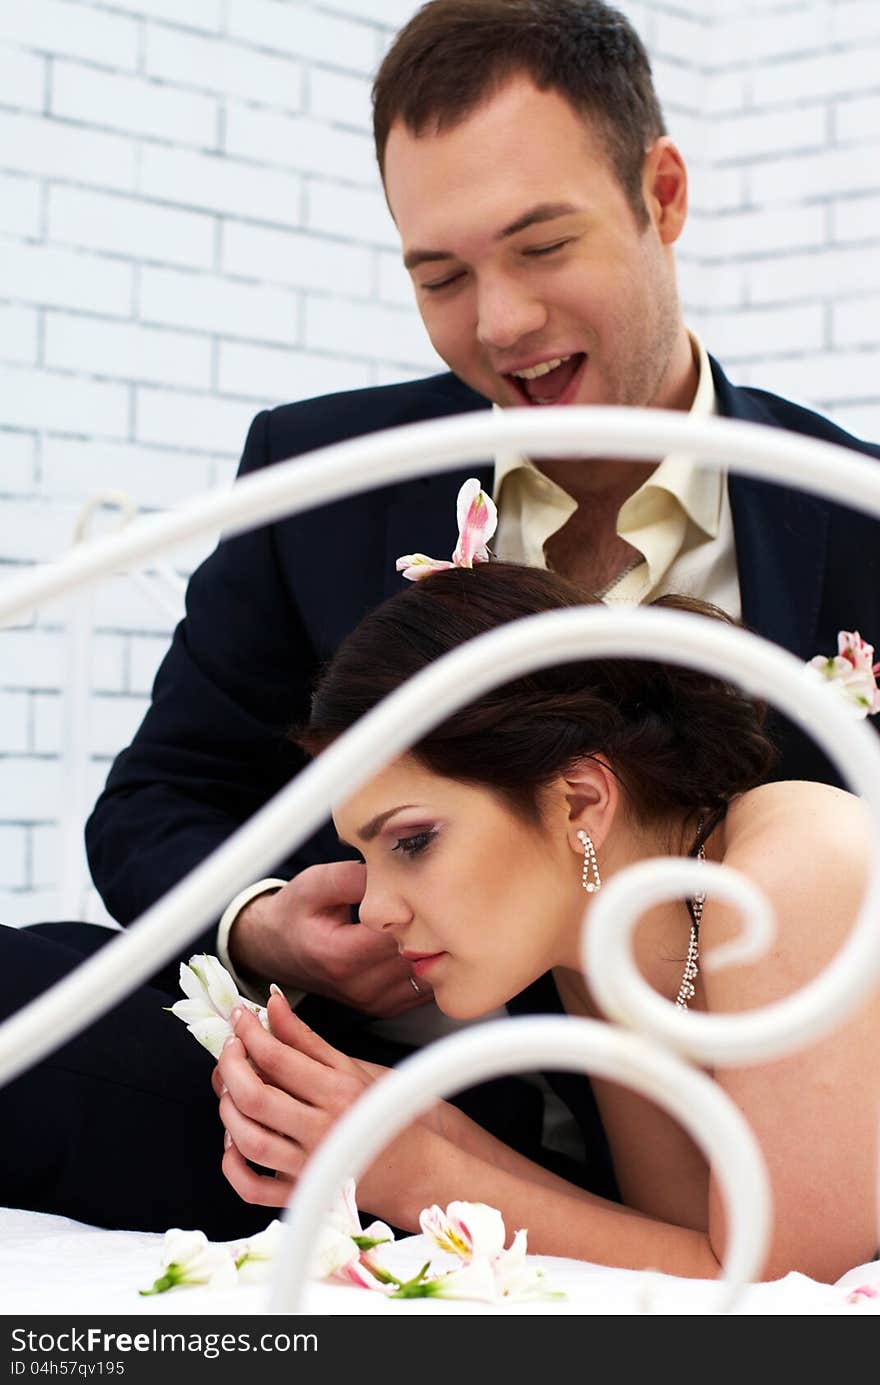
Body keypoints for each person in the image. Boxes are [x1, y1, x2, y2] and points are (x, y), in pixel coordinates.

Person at [2, 0, 880, 1232]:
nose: (500, 322)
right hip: (385, 1061)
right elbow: (155, 801)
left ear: (661, 194)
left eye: (541, 246)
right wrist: (273, 927)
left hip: (756, 1129)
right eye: (441, 275)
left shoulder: (857, 514)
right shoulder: (321, 471)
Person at [213, 560, 879, 1283]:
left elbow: (786, 1296)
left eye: (412, 840)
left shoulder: (799, 874)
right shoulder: (604, 950)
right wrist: (413, 1130)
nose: (374, 908)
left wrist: (417, 1176)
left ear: (580, 799)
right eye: (367, 856)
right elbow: (688, 1247)